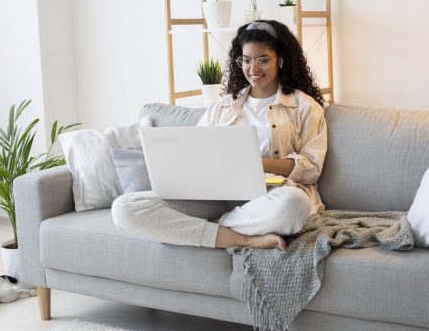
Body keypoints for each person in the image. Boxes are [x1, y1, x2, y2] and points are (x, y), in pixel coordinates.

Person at [112, 20, 327, 250]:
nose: (253, 69)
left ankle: (206, 229)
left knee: (295, 204)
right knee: (124, 207)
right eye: (246, 60)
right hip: (216, 196)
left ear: (281, 60)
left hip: (269, 197)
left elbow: (311, 168)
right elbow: (196, 151)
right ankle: (241, 238)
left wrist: (255, 163)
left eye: (263, 60)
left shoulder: (305, 107)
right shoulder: (223, 107)